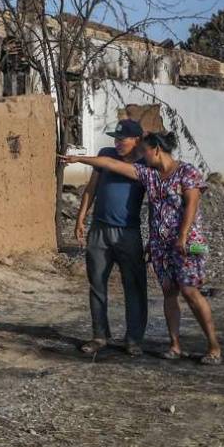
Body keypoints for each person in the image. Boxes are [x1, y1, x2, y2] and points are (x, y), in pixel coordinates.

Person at [62, 131, 222, 365]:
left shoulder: (187, 172)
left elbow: (192, 205)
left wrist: (183, 236)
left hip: (190, 243)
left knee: (190, 291)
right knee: (169, 293)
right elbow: (109, 163)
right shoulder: (150, 175)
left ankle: (213, 345)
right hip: (161, 244)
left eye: (145, 151)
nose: (142, 156)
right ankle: (175, 345)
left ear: (156, 149)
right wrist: (79, 159)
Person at [73, 119, 148, 356]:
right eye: (115, 138)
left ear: (136, 140)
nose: (117, 143)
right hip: (99, 230)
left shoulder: (145, 165)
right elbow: (92, 188)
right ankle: (99, 335)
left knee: (133, 286)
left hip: (128, 232)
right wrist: (81, 217)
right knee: (97, 284)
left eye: (121, 139)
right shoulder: (105, 154)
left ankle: (134, 338)